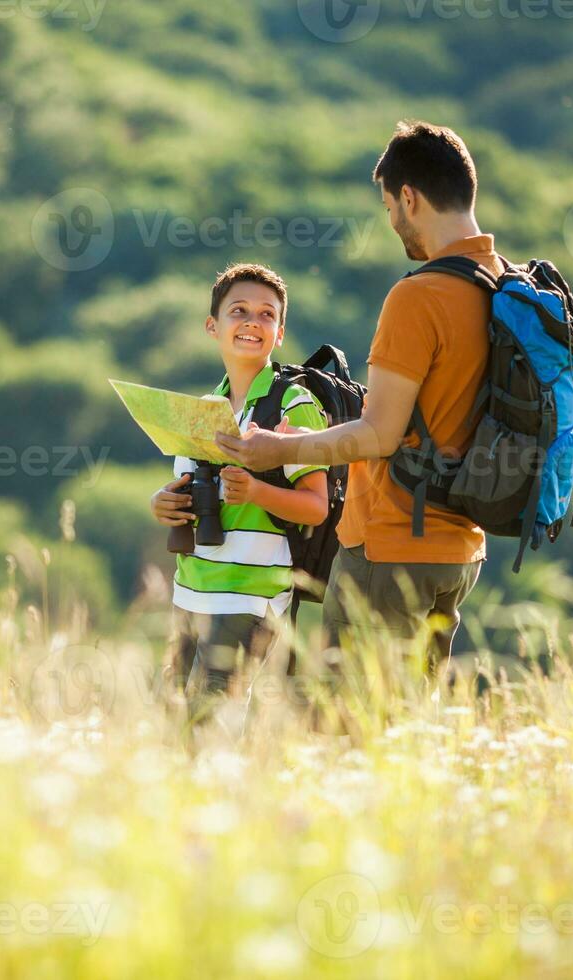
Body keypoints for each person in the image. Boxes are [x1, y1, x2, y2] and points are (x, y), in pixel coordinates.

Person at [215, 121, 501, 664]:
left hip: (392, 547)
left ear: (409, 198)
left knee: (335, 730)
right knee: (406, 729)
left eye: (391, 207)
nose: (393, 222)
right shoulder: (503, 287)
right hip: (462, 548)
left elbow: (379, 434)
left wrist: (283, 449)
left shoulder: (419, 297)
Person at [149, 263, 330, 725]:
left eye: (267, 315)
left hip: (252, 591)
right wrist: (164, 504)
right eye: (239, 311)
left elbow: (316, 506)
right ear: (212, 326)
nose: (253, 322)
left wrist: (254, 491)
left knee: (207, 719)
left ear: (280, 332)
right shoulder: (206, 406)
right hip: (192, 588)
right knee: (171, 716)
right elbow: (193, 491)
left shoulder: (294, 404)